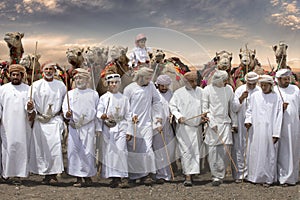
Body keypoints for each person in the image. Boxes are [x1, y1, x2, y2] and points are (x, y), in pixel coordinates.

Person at [27, 61, 67, 184]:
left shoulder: (61, 86)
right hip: (40, 120)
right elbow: (29, 103)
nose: (49, 71)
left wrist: (65, 114)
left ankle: (53, 175)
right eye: (46, 69)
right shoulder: (35, 85)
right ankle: (45, 174)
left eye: (51, 69)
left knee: (54, 147)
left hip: (54, 120)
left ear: (54, 71)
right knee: (42, 148)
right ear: (42, 71)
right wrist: (30, 107)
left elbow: (65, 103)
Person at [123, 67, 162, 186]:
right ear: (140, 77)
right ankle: (134, 176)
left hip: (147, 123)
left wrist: (157, 118)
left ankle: (148, 175)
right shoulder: (129, 89)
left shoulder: (151, 87)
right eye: (147, 78)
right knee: (133, 150)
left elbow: (156, 101)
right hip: (133, 125)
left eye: (150, 78)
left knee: (148, 150)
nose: (149, 80)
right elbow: (125, 107)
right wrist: (132, 116)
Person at [245, 75, 283, 187]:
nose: (263, 87)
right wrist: (248, 121)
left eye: (265, 85)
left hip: (270, 131)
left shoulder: (276, 98)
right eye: (261, 85)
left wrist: (276, 133)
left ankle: (268, 178)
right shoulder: (255, 96)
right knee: (255, 153)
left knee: (269, 154)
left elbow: (279, 116)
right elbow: (249, 110)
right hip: (256, 130)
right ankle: (254, 177)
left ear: (271, 86)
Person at [169, 71, 206, 186]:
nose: (195, 83)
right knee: (186, 151)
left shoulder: (201, 91)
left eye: (196, 81)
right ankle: (187, 176)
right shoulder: (178, 93)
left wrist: (204, 116)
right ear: (186, 82)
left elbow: (205, 105)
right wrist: (179, 117)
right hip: (184, 128)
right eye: (192, 81)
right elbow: (173, 107)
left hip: (197, 127)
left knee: (195, 151)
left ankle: (193, 173)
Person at [62, 68, 98, 187]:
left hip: (88, 126)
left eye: (81, 78)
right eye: (76, 78)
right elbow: (65, 108)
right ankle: (78, 177)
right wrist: (67, 114)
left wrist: (98, 129)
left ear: (87, 79)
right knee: (75, 151)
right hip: (74, 127)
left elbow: (97, 111)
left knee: (88, 151)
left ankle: (88, 177)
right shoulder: (70, 94)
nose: (78, 80)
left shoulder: (93, 94)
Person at [202, 70, 237, 186]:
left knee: (225, 150)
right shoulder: (207, 90)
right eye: (224, 80)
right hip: (213, 124)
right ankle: (215, 176)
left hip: (225, 123)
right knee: (213, 151)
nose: (226, 82)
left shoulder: (229, 89)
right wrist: (211, 122)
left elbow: (231, 108)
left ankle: (221, 175)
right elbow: (204, 108)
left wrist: (235, 123)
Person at [97, 73, 132, 188]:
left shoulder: (124, 98)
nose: (114, 84)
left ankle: (122, 177)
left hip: (121, 127)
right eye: (111, 83)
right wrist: (102, 115)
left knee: (121, 151)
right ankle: (113, 178)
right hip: (108, 128)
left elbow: (128, 115)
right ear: (108, 84)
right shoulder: (103, 98)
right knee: (110, 153)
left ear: (119, 83)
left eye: (116, 82)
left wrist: (129, 131)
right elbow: (98, 111)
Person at [0, 64, 31, 184]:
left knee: (21, 147)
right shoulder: (3, 89)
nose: (15, 77)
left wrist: (30, 108)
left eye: (18, 75)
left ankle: (20, 174)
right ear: (10, 75)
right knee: (8, 147)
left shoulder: (28, 89)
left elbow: (31, 109)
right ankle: (6, 174)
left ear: (21, 76)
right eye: (13, 74)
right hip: (7, 124)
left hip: (23, 124)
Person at [231, 72, 260, 183]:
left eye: (253, 84)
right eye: (250, 84)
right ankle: (240, 174)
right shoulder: (240, 90)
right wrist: (241, 98)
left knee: (252, 148)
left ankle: (252, 174)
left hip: (255, 124)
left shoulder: (259, 91)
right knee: (240, 148)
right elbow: (234, 108)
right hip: (241, 123)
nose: (252, 86)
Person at [274, 69, 300, 186]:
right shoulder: (274, 91)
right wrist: (281, 108)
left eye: (288, 79)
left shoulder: (295, 89)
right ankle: (282, 177)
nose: (287, 81)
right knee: (282, 151)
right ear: (278, 79)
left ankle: (293, 177)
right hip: (279, 126)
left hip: (294, 125)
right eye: (284, 79)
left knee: (293, 150)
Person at [152, 74, 176, 184]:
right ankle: (160, 175)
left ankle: (168, 173)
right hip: (158, 124)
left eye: (166, 86)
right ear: (158, 85)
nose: (164, 88)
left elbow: (173, 106)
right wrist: (156, 121)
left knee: (169, 149)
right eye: (162, 86)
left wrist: (172, 114)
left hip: (168, 125)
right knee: (159, 149)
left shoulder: (171, 94)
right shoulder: (155, 94)